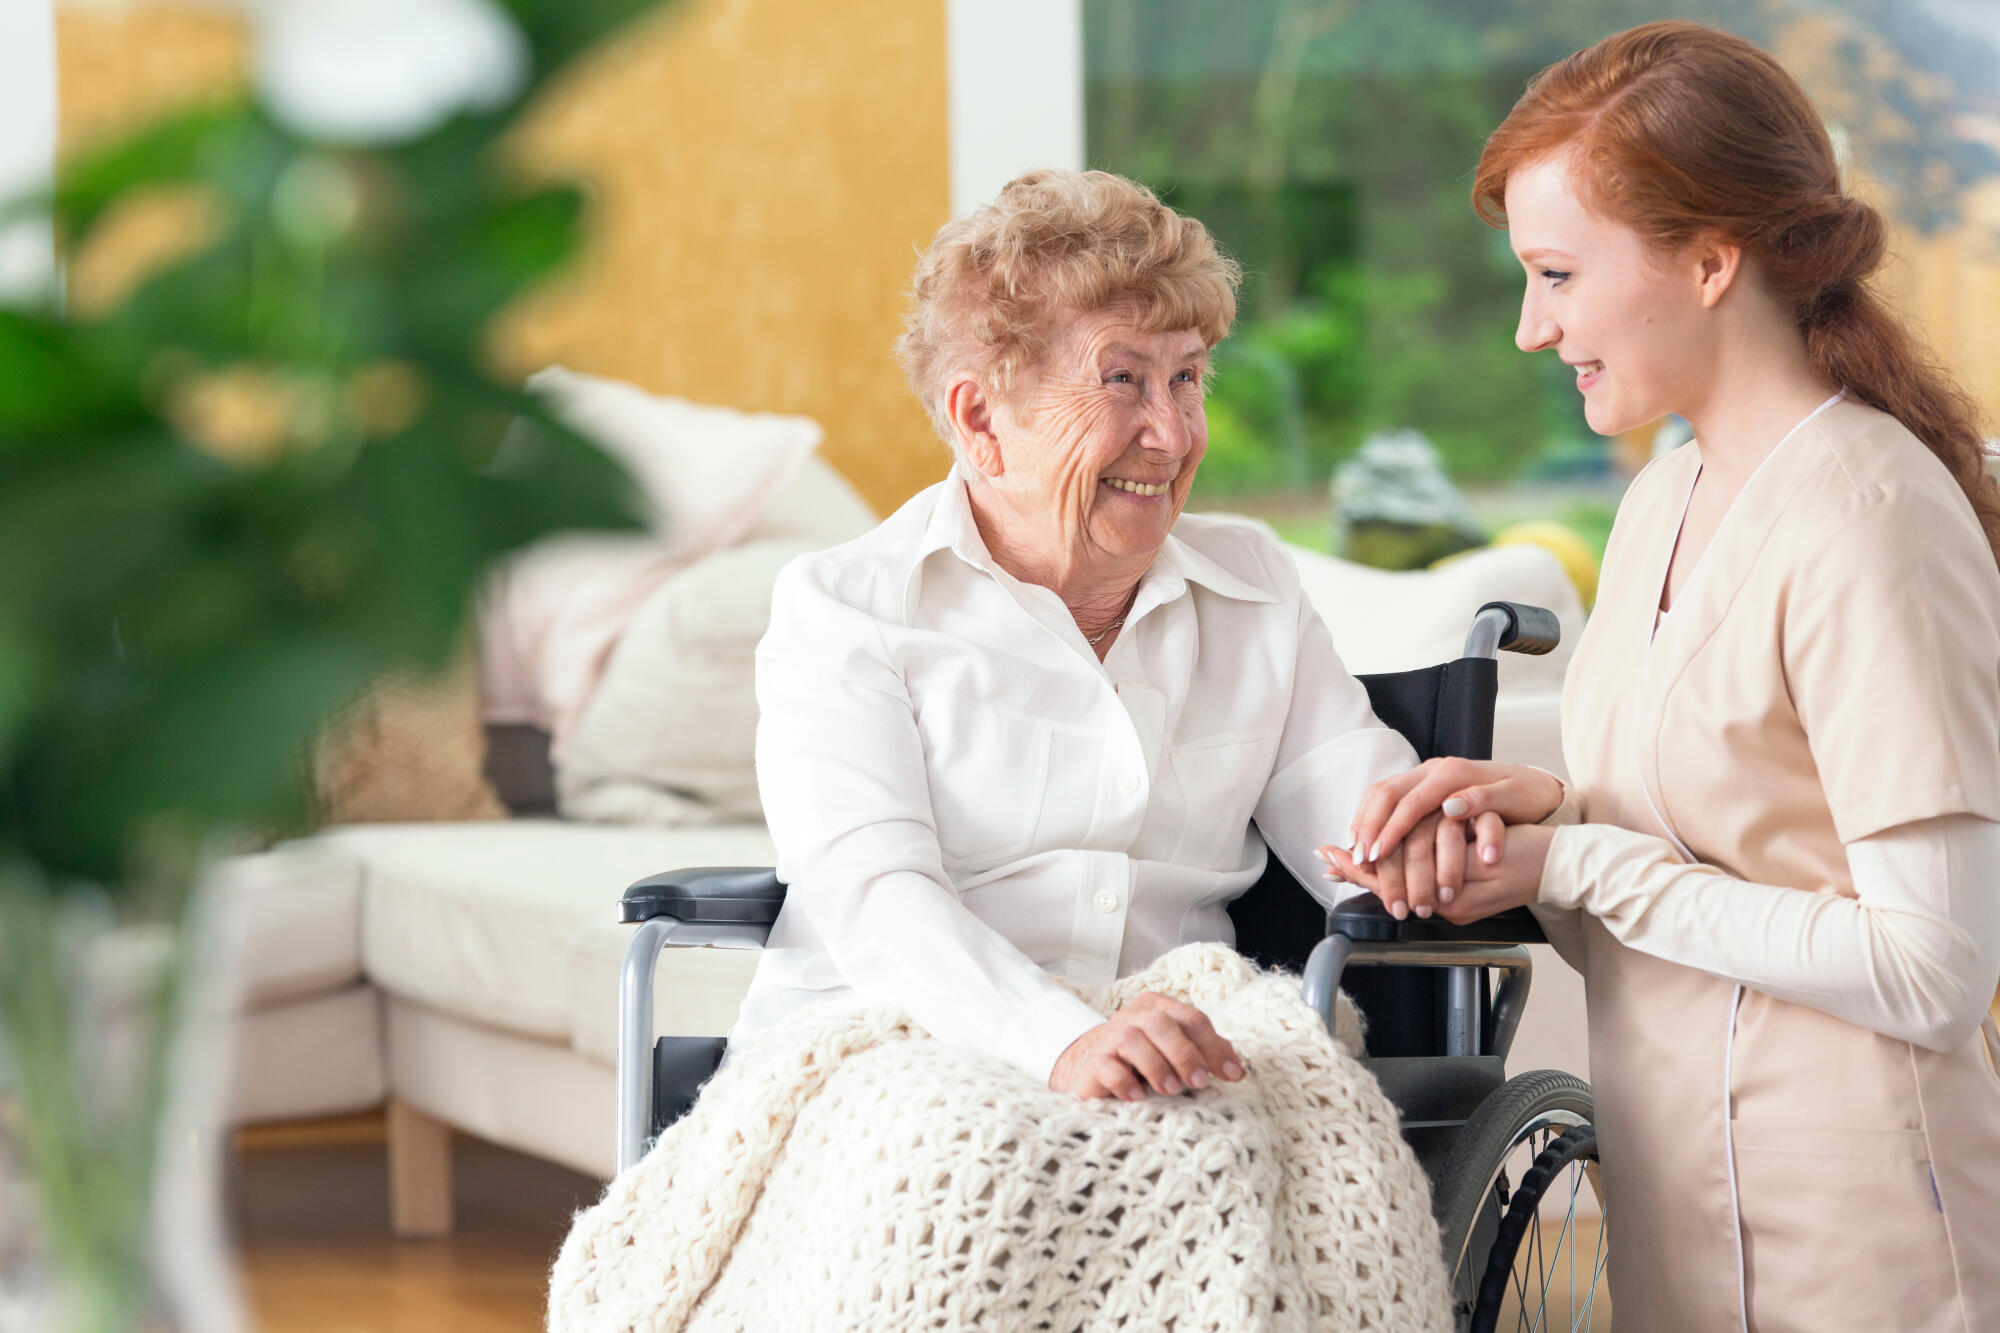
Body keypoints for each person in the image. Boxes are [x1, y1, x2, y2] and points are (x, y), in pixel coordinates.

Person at [1323, 21, 2000, 1332]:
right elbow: (1707, 873)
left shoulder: (1871, 518)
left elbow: (1933, 963)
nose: (1533, 327)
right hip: (1678, 1228)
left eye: (1559, 272)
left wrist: (1580, 864)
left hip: (1861, 1259)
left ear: (1709, 260)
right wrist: (1537, 828)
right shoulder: (1664, 504)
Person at [731, 168, 1421, 1102]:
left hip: (1182, 1054)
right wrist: (1062, 1041)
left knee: (1263, 1116)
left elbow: (1372, 842)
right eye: (1123, 380)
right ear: (982, 418)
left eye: (1187, 379)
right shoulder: (848, 607)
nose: (1173, 434)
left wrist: (1447, 837)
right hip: (899, 1042)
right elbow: (874, 899)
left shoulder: (1254, 591)